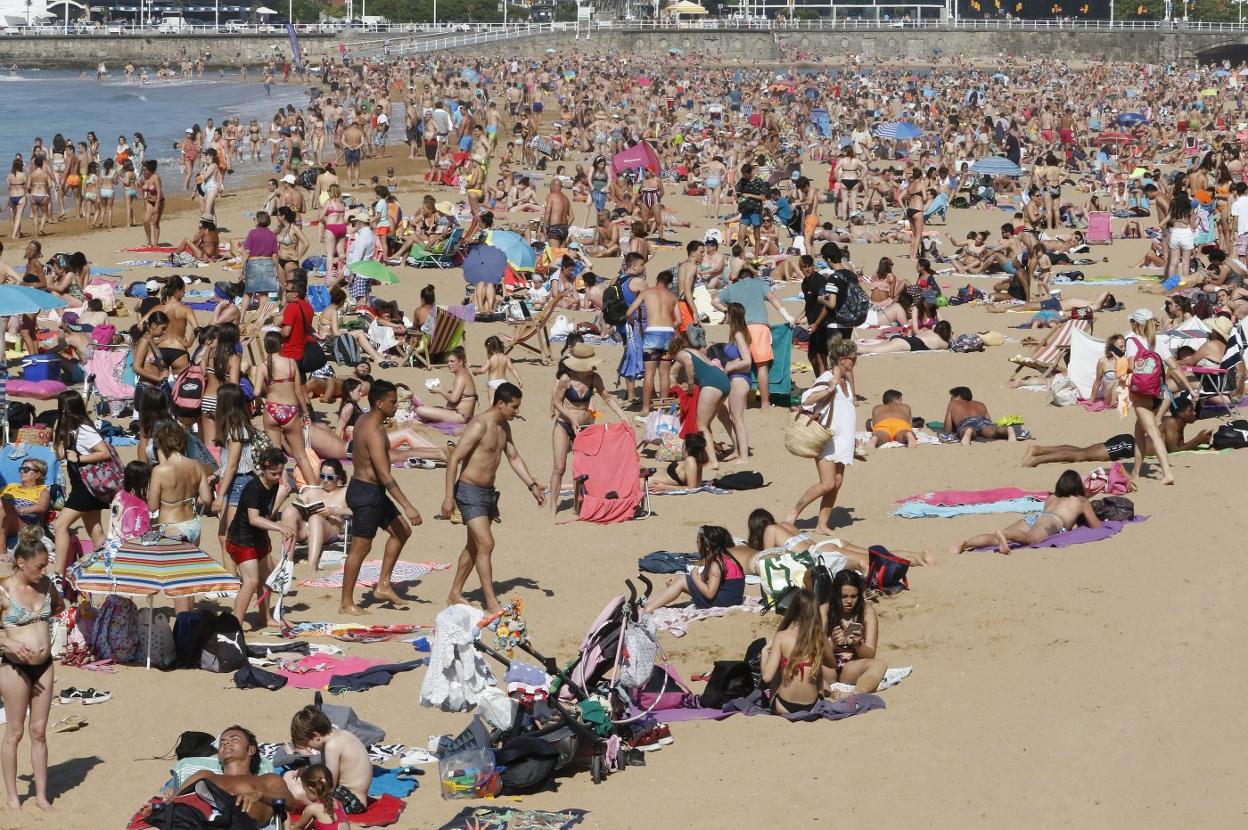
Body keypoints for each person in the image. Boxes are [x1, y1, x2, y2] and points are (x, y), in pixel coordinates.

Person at [441, 383, 545, 614]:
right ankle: (491, 602)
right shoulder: (479, 424)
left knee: (474, 546)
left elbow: (514, 456)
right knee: (487, 544)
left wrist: (532, 485)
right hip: (469, 491)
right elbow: (454, 458)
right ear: (500, 404)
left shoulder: (504, 426)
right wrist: (448, 497)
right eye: (514, 407)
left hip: (488, 493)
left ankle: (455, 593)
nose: (517, 411)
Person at [341, 380, 423, 615]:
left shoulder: (364, 419)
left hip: (369, 490)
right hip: (366, 493)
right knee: (360, 548)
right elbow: (384, 474)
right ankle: (346, 602)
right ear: (379, 403)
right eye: (393, 401)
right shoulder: (374, 430)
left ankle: (383, 585)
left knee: (402, 531)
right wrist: (408, 506)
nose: (397, 406)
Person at [0, 526, 63, 812]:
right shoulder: (4, 590)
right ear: (21, 563)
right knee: (15, 732)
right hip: (14, 668)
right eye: (38, 566)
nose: (42, 570)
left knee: (38, 731)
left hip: (45, 666)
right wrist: (8, 644)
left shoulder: (47, 585)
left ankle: (40, 795)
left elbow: (59, 608)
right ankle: (13, 796)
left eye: (45, 565)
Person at [548, 344, 630, 518]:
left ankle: (578, 504)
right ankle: (553, 504)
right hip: (564, 425)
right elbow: (556, 402)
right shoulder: (566, 379)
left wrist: (623, 416)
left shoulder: (594, 378)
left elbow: (607, 397)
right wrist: (570, 418)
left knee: (582, 467)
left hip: (585, 427)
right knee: (559, 467)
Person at [785, 338, 857, 534]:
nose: (855, 361)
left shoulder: (846, 382)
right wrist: (828, 390)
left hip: (842, 440)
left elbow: (845, 411)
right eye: (853, 358)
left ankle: (822, 524)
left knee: (837, 483)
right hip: (827, 439)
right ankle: (794, 512)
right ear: (842, 360)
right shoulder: (826, 378)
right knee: (827, 483)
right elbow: (807, 399)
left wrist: (854, 440)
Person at [1022, 395, 1210, 466]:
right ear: (1181, 412)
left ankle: (1039, 449)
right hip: (1126, 446)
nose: (1194, 413)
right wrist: (1198, 440)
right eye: (1191, 410)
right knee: (1081, 456)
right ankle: (1039, 459)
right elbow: (1174, 450)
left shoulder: (1177, 424)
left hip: (1127, 444)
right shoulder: (1171, 423)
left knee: (1083, 451)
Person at [949, 469, 1101, 555]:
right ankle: (1006, 535)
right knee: (1031, 539)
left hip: (1035, 517)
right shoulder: (1081, 500)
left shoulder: (1052, 497)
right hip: (1053, 521)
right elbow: (1096, 526)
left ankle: (965, 543)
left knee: (995, 539)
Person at [225, 446, 293, 629]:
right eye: (274, 473)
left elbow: (267, 515)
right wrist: (279, 527)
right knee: (252, 580)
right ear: (263, 469)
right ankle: (236, 623)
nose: (278, 477)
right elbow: (254, 519)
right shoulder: (254, 488)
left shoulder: (273, 484)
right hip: (241, 538)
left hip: (258, 537)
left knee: (269, 576)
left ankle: (266, 617)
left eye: (280, 473)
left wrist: (279, 498)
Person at [179, 726, 291, 826]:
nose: (226, 743)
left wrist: (261, 795)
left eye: (234, 739)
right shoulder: (205, 775)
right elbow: (170, 805)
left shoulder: (268, 780)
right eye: (222, 743)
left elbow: (292, 804)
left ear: (251, 750)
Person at [52, 389, 110, 578]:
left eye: (64, 409)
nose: (61, 413)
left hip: (88, 487)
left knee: (60, 525)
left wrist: (80, 457)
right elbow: (60, 455)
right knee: (94, 529)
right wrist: (57, 433)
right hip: (82, 485)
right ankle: (107, 567)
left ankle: (59, 571)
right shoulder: (69, 428)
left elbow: (104, 452)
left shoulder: (85, 430)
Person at [255, 331, 320, 490]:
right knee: (300, 454)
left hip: (272, 409)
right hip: (291, 409)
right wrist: (305, 412)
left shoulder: (263, 366)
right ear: (281, 346)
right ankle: (313, 486)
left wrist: (262, 402)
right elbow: (299, 392)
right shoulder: (291, 363)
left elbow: (256, 392)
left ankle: (282, 486)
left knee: (276, 454)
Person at [759, 588, 838, 714]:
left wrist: (764, 653)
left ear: (792, 609)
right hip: (812, 706)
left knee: (781, 668)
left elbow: (767, 677)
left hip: (783, 706)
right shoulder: (820, 636)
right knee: (814, 664)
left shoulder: (782, 636)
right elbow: (832, 664)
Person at [289, 705, 371, 815]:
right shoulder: (343, 734)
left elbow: (329, 786)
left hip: (352, 803)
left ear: (316, 736)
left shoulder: (332, 746)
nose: (310, 748)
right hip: (352, 797)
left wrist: (306, 780)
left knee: (296, 792)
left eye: (307, 745)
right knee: (291, 777)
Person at [644, 525, 747, 612]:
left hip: (723, 603)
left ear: (707, 547)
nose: (696, 545)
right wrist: (682, 578)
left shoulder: (716, 564)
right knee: (682, 579)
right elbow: (704, 579)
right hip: (732, 599)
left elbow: (710, 594)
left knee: (683, 581)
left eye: (698, 542)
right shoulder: (725, 558)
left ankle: (648, 608)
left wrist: (693, 576)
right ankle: (647, 602)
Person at [1125, 308, 1175, 485]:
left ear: (1136, 324)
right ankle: (1136, 472)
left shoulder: (1132, 340)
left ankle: (1167, 473)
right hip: (1157, 391)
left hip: (1141, 392)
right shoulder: (1156, 340)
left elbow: (1131, 366)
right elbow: (1173, 365)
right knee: (1139, 432)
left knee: (1152, 431)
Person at [669, 327, 731, 465]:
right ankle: (708, 457)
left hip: (712, 384)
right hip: (723, 381)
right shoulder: (695, 351)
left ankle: (712, 463)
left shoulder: (681, 354)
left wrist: (690, 385)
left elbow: (689, 364)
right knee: (706, 424)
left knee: (701, 425)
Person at [148, 421, 211, 554]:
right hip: (193, 525)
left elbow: (152, 507)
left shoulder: (159, 471)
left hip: (171, 527)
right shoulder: (196, 465)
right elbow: (206, 499)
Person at [280, 459, 349, 572]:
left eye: (330, 477)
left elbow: (357, 512)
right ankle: (287, 561)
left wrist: (334, 511)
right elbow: (297, 505)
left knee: (315, 518)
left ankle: (311, 565)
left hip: (330, 531)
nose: (325, 480)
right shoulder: (313, 492)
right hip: (306, 531)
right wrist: (302, 507)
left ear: (338, 476)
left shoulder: (345, 492)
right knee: (289, 511)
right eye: (322, 476)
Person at [824, 570, 887, 693]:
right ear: (836, 595)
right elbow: (814, 651)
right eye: (844, 596)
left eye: (854, 596)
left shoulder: (866, 612)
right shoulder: (824, 611)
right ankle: (824, 690)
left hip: (851, 667)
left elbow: (870, 655)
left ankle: (858, 693)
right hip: (827, 666)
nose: (849, 601)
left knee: (880, 664)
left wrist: (859, 644)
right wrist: (831, 643)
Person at [413, 347, 478, 424]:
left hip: (460, 417)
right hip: (460, 415)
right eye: (448, 361)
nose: (449, 364)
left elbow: (453, 399)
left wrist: (440, 391)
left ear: (460, 362)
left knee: (419, 410)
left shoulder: (461, 377)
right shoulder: (464, 374)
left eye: (452, 361)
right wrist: (440, 389)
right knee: (427, 413)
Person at [944, 386, 1016, 444]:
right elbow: (989, 420)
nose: (951, 399)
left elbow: (948, 429)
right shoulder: (980, 404)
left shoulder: (953, 403)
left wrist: (951, 430)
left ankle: (968, 431)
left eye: (952, 397)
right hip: (983, 420)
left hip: (966, 422)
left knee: (966, 430)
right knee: (993, 431)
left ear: (958, 396)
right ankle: (1007, 430)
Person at [0, 459, 49, 541]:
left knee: (3, 505)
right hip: (5, 514)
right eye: (21, 469)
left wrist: (20, 510)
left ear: (37, 475)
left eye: (26, 469)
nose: (22, 472)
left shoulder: (42, 490)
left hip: (25, 524)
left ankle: (1, 549)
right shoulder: (11, 486)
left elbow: (42, 507)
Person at [290, 764, 348, 830]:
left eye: (305, 790)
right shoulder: (338, 803)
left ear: (311, 790)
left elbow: (298, 828)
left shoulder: (312, 808)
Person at [856, 320, 953, 353]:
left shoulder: (929, 331)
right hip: (906, 344)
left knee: (874, 348)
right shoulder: (942, 342)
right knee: (872, 350)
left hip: (903, 340)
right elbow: (951, 345)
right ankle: (850, 349)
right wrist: (951, 335)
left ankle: (851, 347)